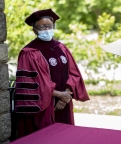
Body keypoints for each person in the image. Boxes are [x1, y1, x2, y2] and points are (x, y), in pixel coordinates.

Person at [14, 9, 90, 139]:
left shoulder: (61, 48)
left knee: (65, 136)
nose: (46, 29)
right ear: (34, 30)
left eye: (49, 26)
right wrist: (60, 95)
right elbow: (33, 83)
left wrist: (67, 93)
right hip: (45, 106)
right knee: (47, 138)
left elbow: (74, 73)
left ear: (53, 26)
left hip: (65, 102)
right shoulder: (29, 53)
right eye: (42, 27)